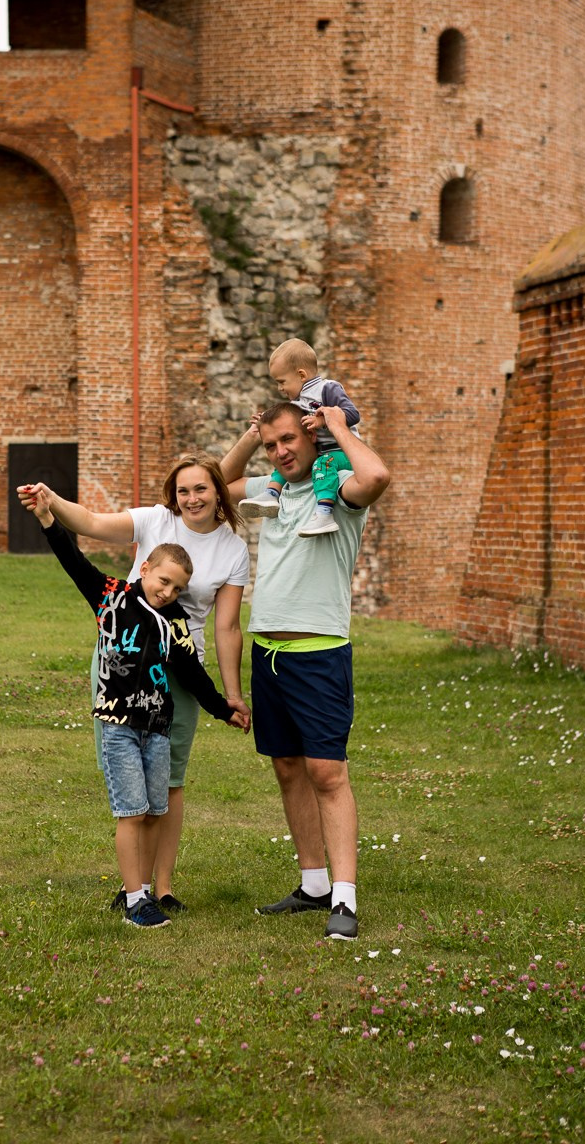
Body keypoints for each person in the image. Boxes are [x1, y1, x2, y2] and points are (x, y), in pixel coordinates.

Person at [17, 452, 250, 912]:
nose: (191, 498)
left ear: (218, 492)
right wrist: (47, 511)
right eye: (183, 490)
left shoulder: (184, 613)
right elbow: (76, 549)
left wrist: (229, 704)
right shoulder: (117, 590)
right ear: (143, 568)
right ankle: (133, 890)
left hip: (167, 704)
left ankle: (155, 889)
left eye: (201, 489)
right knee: (128, 795)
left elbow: (209, 650)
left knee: (165, 787)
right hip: (119, 703)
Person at [221, 400, 390, 940]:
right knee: (288, 768)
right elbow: (212, 485)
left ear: (310, 435)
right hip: (267, 651)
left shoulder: (336, 484)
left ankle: (344, 898)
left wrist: (337, 425)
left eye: (289, 438)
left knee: (327, 772)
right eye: (273, 444)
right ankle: (313, 884)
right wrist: (250, 440)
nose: (281, 451)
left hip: (319, 653)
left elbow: (378, 476)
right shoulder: (269, 491)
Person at [239, 337, 361, 537]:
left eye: (281, 382)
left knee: (323, 464)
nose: (280, 388)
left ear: (301, 375)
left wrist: (324, 420)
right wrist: (264, 421)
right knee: (283, 458)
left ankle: (324, 513)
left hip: (340, 453)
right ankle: (271, 494)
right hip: (320, 452)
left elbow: (353, 414)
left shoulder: (327, 389)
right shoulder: (297, 402)